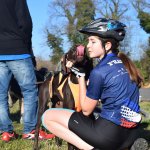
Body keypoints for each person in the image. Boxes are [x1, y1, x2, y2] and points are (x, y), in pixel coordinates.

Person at [41, 18, 148, 150]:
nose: (88, 46)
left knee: (48, 116)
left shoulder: (99, 71)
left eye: (93, 41)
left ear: (107, 45)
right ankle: (127, 146)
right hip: (133, 132)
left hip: (109, 136)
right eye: (88, 41)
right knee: (100, 111)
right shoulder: (126, 64)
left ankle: (93, 148)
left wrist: (81, 78)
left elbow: (85, 110)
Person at [0, 0, 55, 142]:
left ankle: (6, 132)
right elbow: (25, 22)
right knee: (30, 91)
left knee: (0, 94)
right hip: (17, 48)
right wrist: (27, 46)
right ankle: (30, 130)